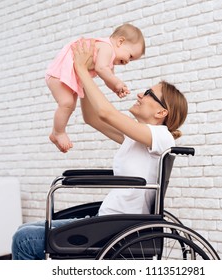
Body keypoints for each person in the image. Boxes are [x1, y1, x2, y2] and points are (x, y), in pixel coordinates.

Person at [11, 39, 188, 260]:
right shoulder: (136, 137)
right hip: (108, 222)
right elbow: (92, 117)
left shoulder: (161, 137)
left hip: (118, 231)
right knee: (22, 232)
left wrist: (82, 69)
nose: (139, 95)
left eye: (148, 93)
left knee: (25, 240)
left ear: (162, 112)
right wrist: (84, 80)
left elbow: (106, 113)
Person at [46, 23, 145, 153]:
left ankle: (57, 132)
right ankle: (58, 132)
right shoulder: (107, 48)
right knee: (67, 103)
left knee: (70, 106)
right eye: (130, 56)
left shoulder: (110, 57)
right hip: (59, 73)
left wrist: (115, 87)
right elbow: (101, 69)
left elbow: (106, 76)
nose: (127, 62)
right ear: (120, 42)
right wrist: (117, 82)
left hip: (72, 75)